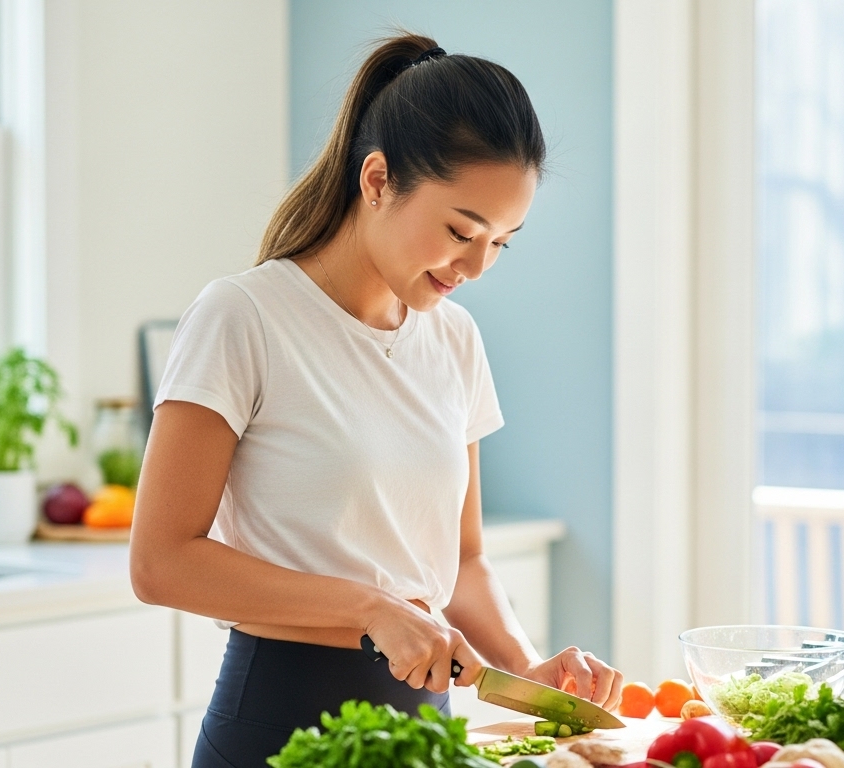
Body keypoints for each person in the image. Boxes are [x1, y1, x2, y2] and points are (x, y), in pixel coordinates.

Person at [128, 33, 624, 766]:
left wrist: (528, 665)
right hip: (277, 729)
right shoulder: (244, 316)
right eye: (462, 231)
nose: (477, 267)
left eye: (502, 242)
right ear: (377, 179)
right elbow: (161, 562)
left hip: (428, 733)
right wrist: (368, 608)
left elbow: (463, 561)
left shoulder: (454, 340)